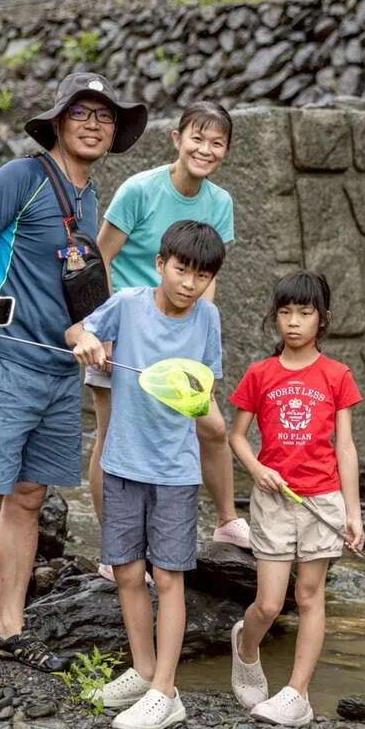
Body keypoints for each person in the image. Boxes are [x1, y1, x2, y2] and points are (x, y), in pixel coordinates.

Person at [0, 72, 147, 679]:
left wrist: (91, 336)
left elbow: (75, 285)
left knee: (28, 499)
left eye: (106, 116)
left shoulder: (89, 197)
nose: (95, 124)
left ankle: (9, 627)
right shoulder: (20, 178)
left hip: (59, 369)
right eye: (82, 112)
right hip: (4, 360)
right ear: (58, 121)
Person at [67, 221, 226, 729]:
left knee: (170, 577)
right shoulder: (130, 304)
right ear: (161, 264)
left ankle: (166, 691)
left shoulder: (209, 319)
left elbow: (206, 386)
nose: (189, 283)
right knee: (130, 573)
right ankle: (142, 670)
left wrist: (204, 409)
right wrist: (89, 343)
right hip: (121, 463)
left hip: (176, 470)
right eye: (181, 270)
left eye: (201, 276)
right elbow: (77, 330)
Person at [90, 102, 248, 584]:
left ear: (225, 152)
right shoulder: (139, 190)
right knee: (111, 436)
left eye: (216, 142)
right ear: (176, 139)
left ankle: (226, 521)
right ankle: (114, 547)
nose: (205, 149)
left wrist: (201, 336)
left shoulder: (219, 203)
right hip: (127, 329)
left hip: (182, 331)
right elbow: (100, 258)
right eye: (197, 138)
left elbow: (208, 277)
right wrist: (107, 331)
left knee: (213, 426)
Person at [226, 270, 365, 726]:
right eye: (285, 312)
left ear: (323, 319)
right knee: (268, 604)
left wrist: (353, 514)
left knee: (309, 596)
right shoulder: (261, 373)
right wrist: (258, 469)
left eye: (304, 313)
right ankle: (246, 646)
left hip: (322, 501)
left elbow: (345, 447)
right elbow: (237, 437)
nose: (293, 322)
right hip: (273, 501)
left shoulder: (337, 375)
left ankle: (297, 694)